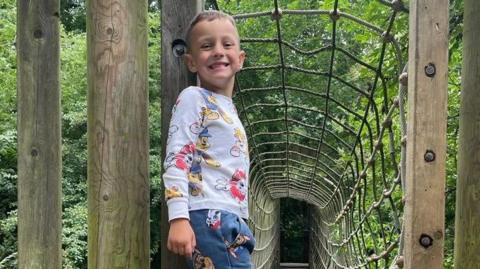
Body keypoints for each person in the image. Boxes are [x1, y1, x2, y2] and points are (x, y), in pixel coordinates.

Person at [163, 10, 255, 269]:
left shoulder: (229, 110)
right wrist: (178, 217)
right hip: (209, 215)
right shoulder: (194, 97)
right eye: (207, 45)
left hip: (232, 219)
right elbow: (177, 157)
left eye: (227, 44)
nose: (218, 51)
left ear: (240, 58)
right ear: (191, 62)